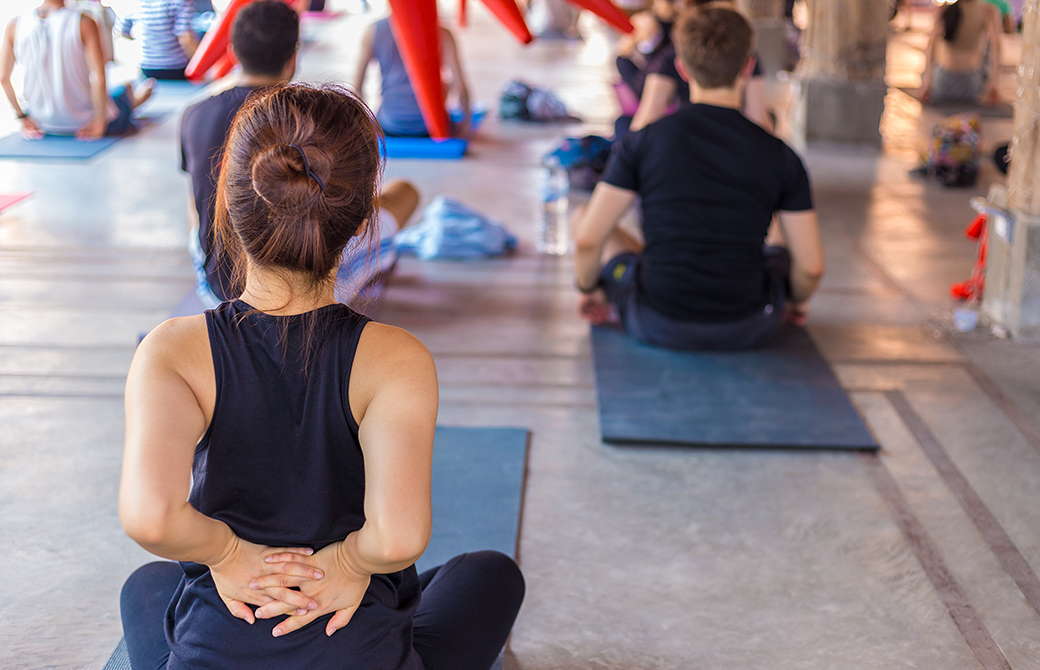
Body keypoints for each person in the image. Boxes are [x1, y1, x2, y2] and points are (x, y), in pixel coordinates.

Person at [119, 83, 525, 670]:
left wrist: (231, 555)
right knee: (489, 574)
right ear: (363, 219)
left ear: (229, 206)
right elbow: (395, 538)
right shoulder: (396, 357)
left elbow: (152, 517)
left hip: (221, 645)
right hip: (355, 646)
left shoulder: (170, 350)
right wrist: (348, 564)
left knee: (149, 584)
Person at [573, 6, 824, 351]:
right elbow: (811, 267)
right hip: (750, 322)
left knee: (583, 218)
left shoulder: (643, 142)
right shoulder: (781, 156)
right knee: (781, 227)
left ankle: (627, 284)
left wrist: (589, 290)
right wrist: (794, 301)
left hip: (655, 317)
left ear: (681, 68)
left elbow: (588, 240)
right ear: (747, 67)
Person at [181, 1, 418, 307]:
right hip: (316, 286)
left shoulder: (195, 114)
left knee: (197, 203)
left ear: (233, 51)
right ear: (293, 56)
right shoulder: (313, 117)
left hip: (217, 288)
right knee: (404, 192)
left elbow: (195, 201)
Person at [0, 0, 154, 140]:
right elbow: (99, 77)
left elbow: (3, 78)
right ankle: (134, 100)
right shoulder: (84, 22)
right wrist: (100, 120)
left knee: (117, 92)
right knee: (122, 91)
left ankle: (131, 98)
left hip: (41, 123)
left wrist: (22, 117)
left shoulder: (15, 24)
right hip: (84, 122)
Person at [619, 0, 773, 139]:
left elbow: (645, 120)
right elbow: (758, 118)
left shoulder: (672, 55)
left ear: (682, 68)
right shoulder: (746, 56)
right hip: (739, 138)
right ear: (748, 66)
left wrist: (624, 53)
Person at [353, 16, 471, 137]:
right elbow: (460, 86)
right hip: (430, 128)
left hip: (390, 124)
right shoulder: (442, 33)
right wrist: (466, 124)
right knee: (445, 84)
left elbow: (357, 89)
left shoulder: (373, 31)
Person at [919, 0, 1003, 105]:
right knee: (985, 53)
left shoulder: (943, 9)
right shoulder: (988, 11)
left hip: (942, 82)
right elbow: (996, 46)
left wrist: (927, 83)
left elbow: (931, 46)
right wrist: (994, 84)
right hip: (971, 84)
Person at [117, 0, 200, 80]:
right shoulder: (179, 1)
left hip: (146, 68)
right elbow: (185, 39)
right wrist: (200, 66)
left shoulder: (131, 3)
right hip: (176, 67)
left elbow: (122, 31)